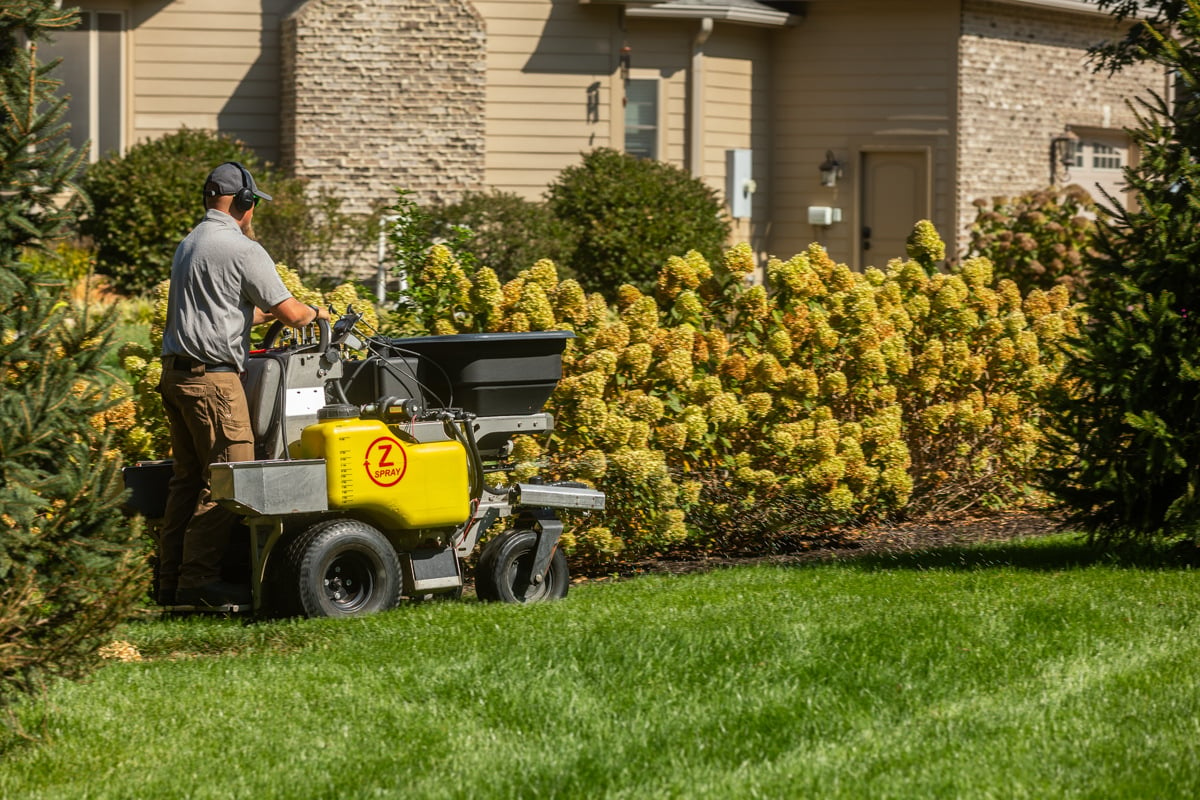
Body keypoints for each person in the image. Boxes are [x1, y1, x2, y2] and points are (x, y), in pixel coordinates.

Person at [157, 161, 330, 607]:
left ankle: (170, 583)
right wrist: (317, 314)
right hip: (213, 382)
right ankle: (198, 585)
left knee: (187, 482)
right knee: (229, 479)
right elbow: (294, 313)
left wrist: (264, 312)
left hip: (177, 376)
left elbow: (223, 312)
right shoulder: (241, 248)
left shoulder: (191, 242)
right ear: (244, 202)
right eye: (253, 204)